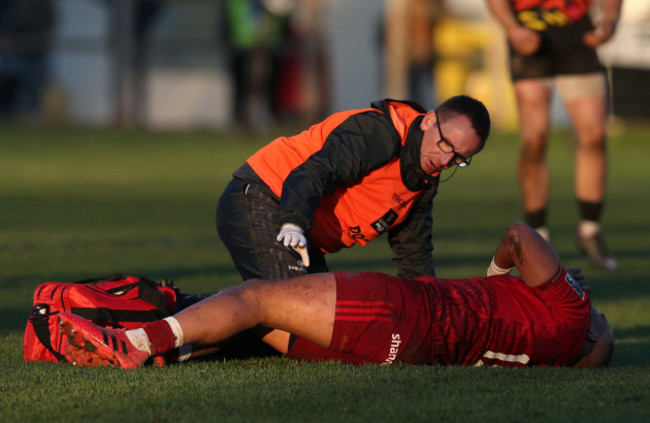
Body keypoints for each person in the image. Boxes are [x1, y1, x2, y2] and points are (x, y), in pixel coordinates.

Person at [56, 222, 614, 369]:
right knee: (254, 328)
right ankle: (105, 335)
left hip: (406, 311)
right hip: (410, 354)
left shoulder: (573, 313)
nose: (578, 285)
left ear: (592, 328)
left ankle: (132, 341)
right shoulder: (554, 354)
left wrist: (496, 277)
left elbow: (520, 235)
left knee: (256, 299)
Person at [216, 95, 491, 284]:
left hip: (301, 232)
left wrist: (432, 307)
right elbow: (316, 171)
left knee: (320, 321)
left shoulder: (424, 178)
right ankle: (181, 324)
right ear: (429, 120)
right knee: (291, 315)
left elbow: (413, 252)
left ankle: (180, 307)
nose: (445, 161)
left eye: (458, 158)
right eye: (445, 144)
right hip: (264, 198)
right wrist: (292, 221)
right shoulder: (378, 132)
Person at [486, 0, 622, 270]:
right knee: (535, 139)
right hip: (530, 38)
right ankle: (538, 236)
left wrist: (610, 21)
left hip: (578, 40)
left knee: (594, 135)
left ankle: (590, 230)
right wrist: (511, 29)